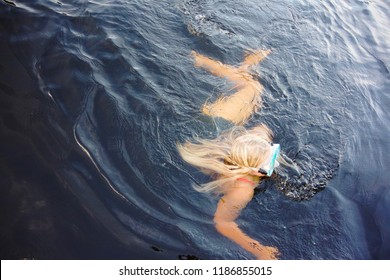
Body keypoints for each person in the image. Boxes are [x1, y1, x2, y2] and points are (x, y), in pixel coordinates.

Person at [178, 50, 280, 259]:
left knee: (252, 87)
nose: (273, 159)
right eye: (269, 160)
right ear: (255, 170)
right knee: (254, 86)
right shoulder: (244, 189)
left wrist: (262, 135)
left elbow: (260, 129)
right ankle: (212, 61)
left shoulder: (237, 152)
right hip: (217, 125)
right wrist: (259, 251)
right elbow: (222, 222)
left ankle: (212, 62)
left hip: (218, 123)